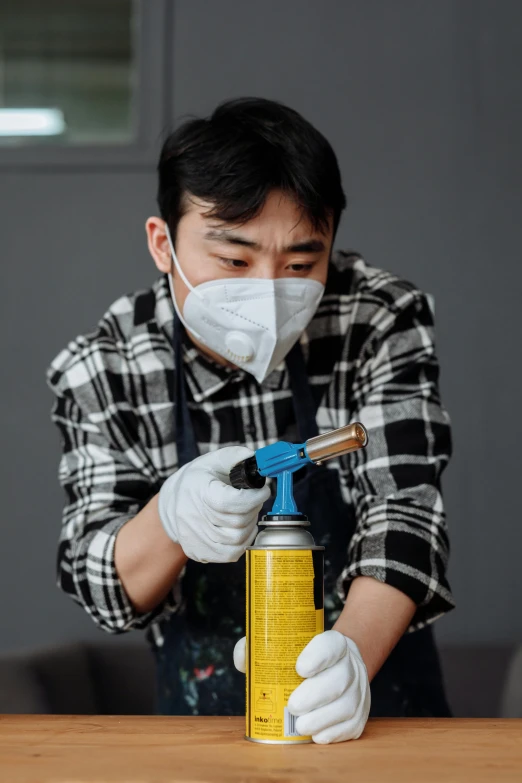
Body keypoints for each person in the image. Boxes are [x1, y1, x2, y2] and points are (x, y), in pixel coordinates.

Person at [47, 97, 454, 743]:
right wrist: (170, 515)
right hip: (201, 736)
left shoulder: (378, 317)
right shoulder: (106, 365)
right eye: (234, 261)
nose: (268, 291)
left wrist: (346, 659)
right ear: (163, 242)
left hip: (379, 721)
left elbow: (404, 512)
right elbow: (103, 583)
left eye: (298, 264)